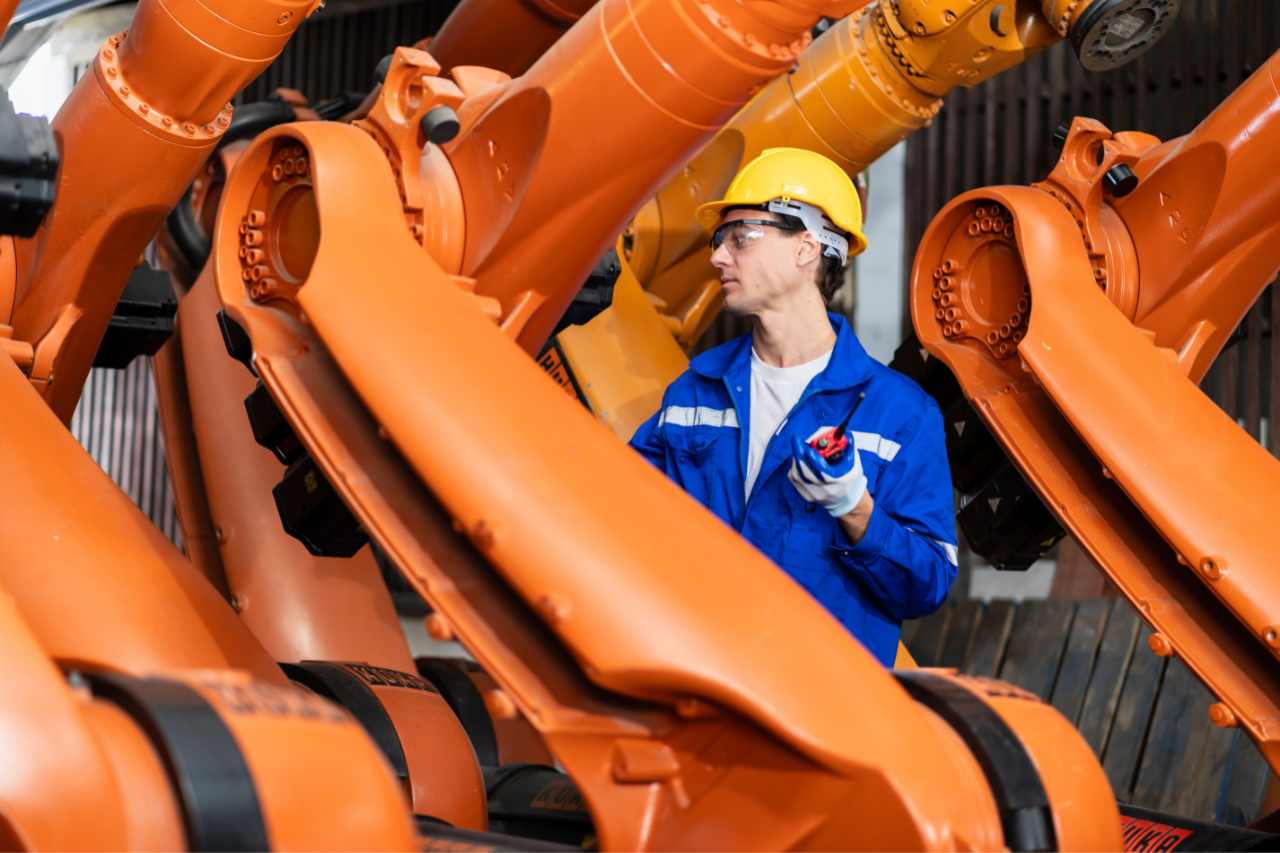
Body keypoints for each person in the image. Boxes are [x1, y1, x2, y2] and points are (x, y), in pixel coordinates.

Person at [629, 147, 956, 666]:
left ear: (807, 248)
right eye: (719, 241)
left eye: (740, 238)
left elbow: (927, 586)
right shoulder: (694, 393)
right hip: (699, 690)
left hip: (824, 714)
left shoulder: (899, 415)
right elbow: (622, 517)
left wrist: (856, 509)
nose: (717, 257)